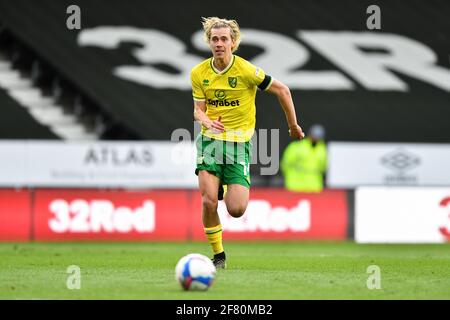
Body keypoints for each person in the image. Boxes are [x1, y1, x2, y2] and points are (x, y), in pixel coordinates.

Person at [191, 17, 304, 269]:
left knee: (237, 209)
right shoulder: (199, 73)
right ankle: (218, 255)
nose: (219, 43)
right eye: (214, 39)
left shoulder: (246, 71)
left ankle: (222, 185)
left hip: (238, 145)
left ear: (233, 42)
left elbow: (283, 90)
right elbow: (197, 111)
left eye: (224, 39)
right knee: (209, 201)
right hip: (210, 142)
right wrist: (205, 120)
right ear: (209, 42)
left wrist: (293, 125)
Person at [281, 124, 327, 192]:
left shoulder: (322, 150)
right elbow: (285, 165)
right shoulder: (296, 147)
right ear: (310, 134)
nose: (315, 138)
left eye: (318, 136)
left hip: (314, 187)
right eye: (314, 135)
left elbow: (323, 168)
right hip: (295, 185)